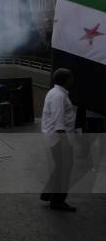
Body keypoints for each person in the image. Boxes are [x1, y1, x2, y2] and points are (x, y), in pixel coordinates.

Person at [40, 68, 76, 212]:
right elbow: (58, 120)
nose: (72, 80)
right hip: (59, 138)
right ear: (65, 80)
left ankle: (48, 192)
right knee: (65, 169)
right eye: (71, 77)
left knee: (60, 167)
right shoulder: (58, 96)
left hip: (55, 137)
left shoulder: (55, 93)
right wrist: (65, 141)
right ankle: (58, 201)